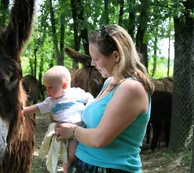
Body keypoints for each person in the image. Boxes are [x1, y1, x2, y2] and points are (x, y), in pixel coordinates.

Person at [54, 24, 155, 173]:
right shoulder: (110, 82)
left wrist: (73, 131)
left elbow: (99, 139)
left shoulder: (131, 89)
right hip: (85, 165)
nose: (93, 64)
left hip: (111, 168)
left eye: (96, 58)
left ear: (116, 56)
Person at [23, 65, 94, 173]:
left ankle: (71, 165)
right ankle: (65, 164)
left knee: (77, 150)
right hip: (64, 130)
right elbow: (38, 107)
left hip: (80, 127)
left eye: (50, 88)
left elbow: (88, 96)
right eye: (46, 88)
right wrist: (23, 110)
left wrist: (89, 103)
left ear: (64, 85)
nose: (47, 91)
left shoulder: (76, 93)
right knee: (65, 150)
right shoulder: (50, 101)